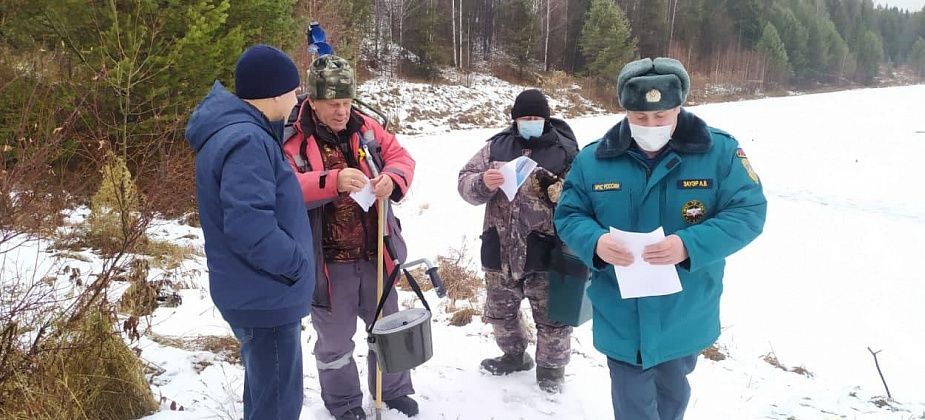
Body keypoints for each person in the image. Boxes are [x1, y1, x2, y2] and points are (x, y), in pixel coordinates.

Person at [554, 57, 767, 419]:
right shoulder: (594, 160)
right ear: (625, 111)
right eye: (640, 118)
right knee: (633, 403)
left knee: (672, 398)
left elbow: (747, 213)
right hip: (621, 312)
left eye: (661, 116)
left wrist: (689, 244)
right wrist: (595, 243)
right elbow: (569, 215)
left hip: (684, 311)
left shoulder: (720, 152)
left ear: (679, 107)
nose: (650, 125)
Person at [281, 55, 418, 420]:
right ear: (313, 101)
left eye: (346, 103)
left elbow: (401, 157)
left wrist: (393, 178)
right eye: (333, 105)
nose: (342, 112)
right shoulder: (293, 139)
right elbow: (283, 186)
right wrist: (331, 181)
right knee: (335, 343)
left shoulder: (367, 127)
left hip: (376, 252)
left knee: (387, 328)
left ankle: (394, 390)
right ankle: (343, 404)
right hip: (328, 262)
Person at [185, 44, 315, 420]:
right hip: (266, 294)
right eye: (293, 89)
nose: (297, 97)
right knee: (277, 405)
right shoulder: (247, 140)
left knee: (265, 397)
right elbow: (249, 227)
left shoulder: (243, 132)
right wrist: (295, 266)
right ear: (274, 93)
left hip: (259, 291)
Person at [457, 89, 579, 393]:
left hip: (546, 250)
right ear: (515, 119)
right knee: (500, 312)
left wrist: (559, 191)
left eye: (536, 118)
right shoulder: (496, 147)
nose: (531, 122)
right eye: (525, 118)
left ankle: (551, 371)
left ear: (546, 119)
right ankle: (514, 356)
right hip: (500, 247)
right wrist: (482, 182)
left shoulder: (565, 151)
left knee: (552, 319)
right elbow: (464, 182)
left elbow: (582, 195)